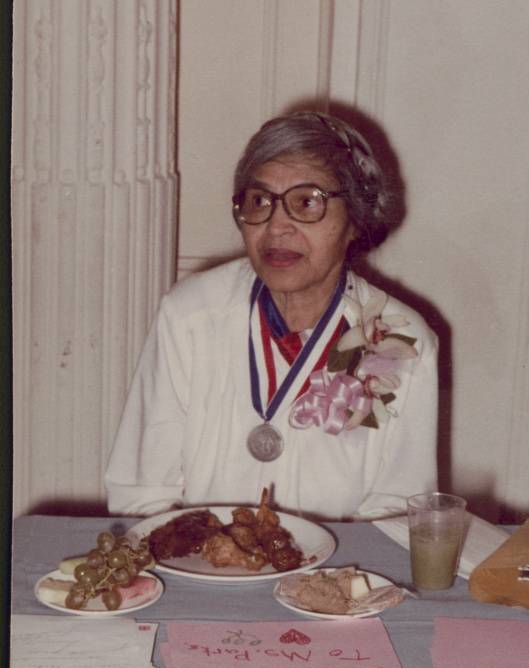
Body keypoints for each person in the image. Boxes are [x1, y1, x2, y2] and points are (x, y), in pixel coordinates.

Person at [105, 111, 438, 520]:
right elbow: (142, 493)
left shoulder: (402, 340)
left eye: (307, 202)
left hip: (336, 575)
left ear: (356, 220)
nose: (277, 226)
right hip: (200, 570)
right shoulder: (191, 314)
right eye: (259, 201)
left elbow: (399, 513)